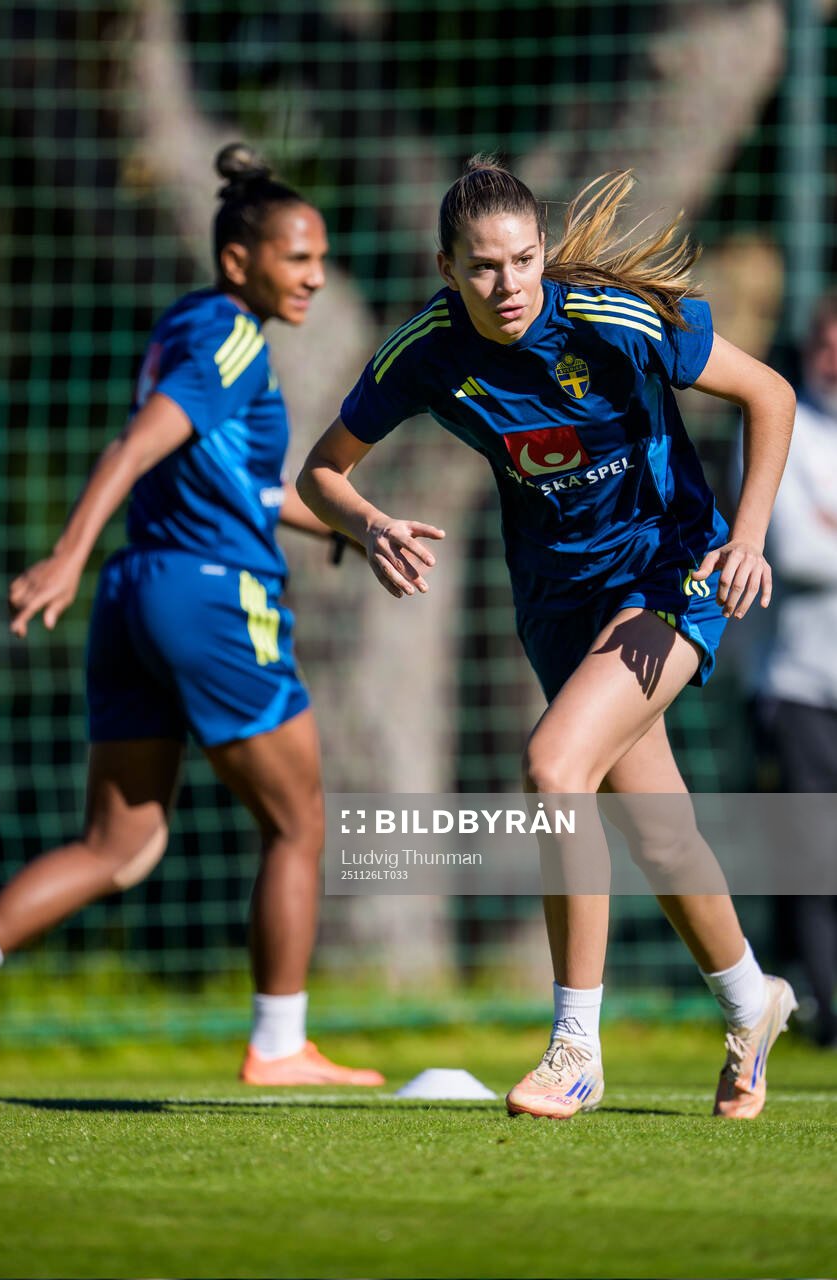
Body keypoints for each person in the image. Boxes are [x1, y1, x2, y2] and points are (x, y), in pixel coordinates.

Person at [298, 157, 797, 1118]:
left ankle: (574, 1045)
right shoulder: (424, 352)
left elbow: (768, 394)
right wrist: (370, 527)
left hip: (670, 572)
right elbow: (324, 470)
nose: (509, 284)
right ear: (447, 269)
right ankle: (750, 1001)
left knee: (553, 765)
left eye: (524, 259)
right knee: (658, 830)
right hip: (556, 599)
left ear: (541, 254)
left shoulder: (612, 319)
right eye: (483, 267)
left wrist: (746, 537)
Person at [0, 143, 384, 1089]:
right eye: (298, 258)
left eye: (321, 260)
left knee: (118, 845)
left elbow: (239, 483)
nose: (316, 277)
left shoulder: (187, 323)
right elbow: (136, 446)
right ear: (240, 259)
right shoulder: (232, 339)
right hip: (209, 597)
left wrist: (349, 528)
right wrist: (65, 554)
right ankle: (280, 1047)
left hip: (140, 596)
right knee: (298, 824)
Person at [757, 293, 837, 1048]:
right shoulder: (788, 434)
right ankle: (824, 1010)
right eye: (825, 343)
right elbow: (799, 554)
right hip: (799, 684)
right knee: (813, 857)